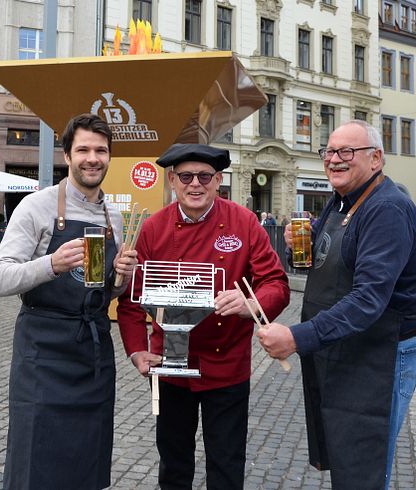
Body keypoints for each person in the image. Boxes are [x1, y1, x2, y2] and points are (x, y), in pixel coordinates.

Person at [257, 120, 416, 489]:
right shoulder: (340, 201)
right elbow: (329, 262)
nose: (335, 160)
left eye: (346, 152)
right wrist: (298, 246)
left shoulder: (387, 209)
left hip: (382, 353)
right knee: (345, 455)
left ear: (376, 158)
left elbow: (369, 298)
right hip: (346, 345)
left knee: (364, 462)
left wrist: (298, 337)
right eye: (330, 151)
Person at [117, 143, 290, 489]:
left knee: (226, 464)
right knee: (174, 464)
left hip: (226, 366)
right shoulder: (151, 228)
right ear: (171, 181)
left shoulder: (244, 222)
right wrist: (136, 350)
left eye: (204, 176)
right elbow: (133, 300)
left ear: (218, 180)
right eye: (186, 176)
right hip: (170, 366)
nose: (195, 184)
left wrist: (249, 302)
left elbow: (276, 283)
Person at [0, 113, 138, 489]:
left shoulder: (113, 217)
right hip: (43, 350)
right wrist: (50, 264)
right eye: (83, 149)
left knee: (87, 457)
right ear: (67, 157)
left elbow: (106, 292)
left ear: (109, 157)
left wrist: (123, 277)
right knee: (35, 456)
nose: (92, 158)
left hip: (92, 351)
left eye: (101, 151)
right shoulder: (36, 208)